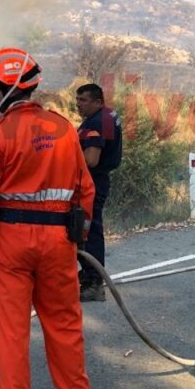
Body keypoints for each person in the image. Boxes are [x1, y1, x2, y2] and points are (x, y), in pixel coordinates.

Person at [0, 47, 98, 389]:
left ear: (10, 89)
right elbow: (86, 191)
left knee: (12, 336)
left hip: (10, 247)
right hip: (59, 246)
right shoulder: (65, 129)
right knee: (66, 329)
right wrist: (79, 235)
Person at [75, 83, 123, 302]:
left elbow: (91, 160)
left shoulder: (95, 123)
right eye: (77, 100)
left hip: (91, 183)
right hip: (98, 181)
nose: (78, 104)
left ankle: (93, 283)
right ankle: (88, 275)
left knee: (88, 230)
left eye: (83, 100)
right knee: (87, 228)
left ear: (97, 101)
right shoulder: (107, 115)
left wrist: (64, 156)